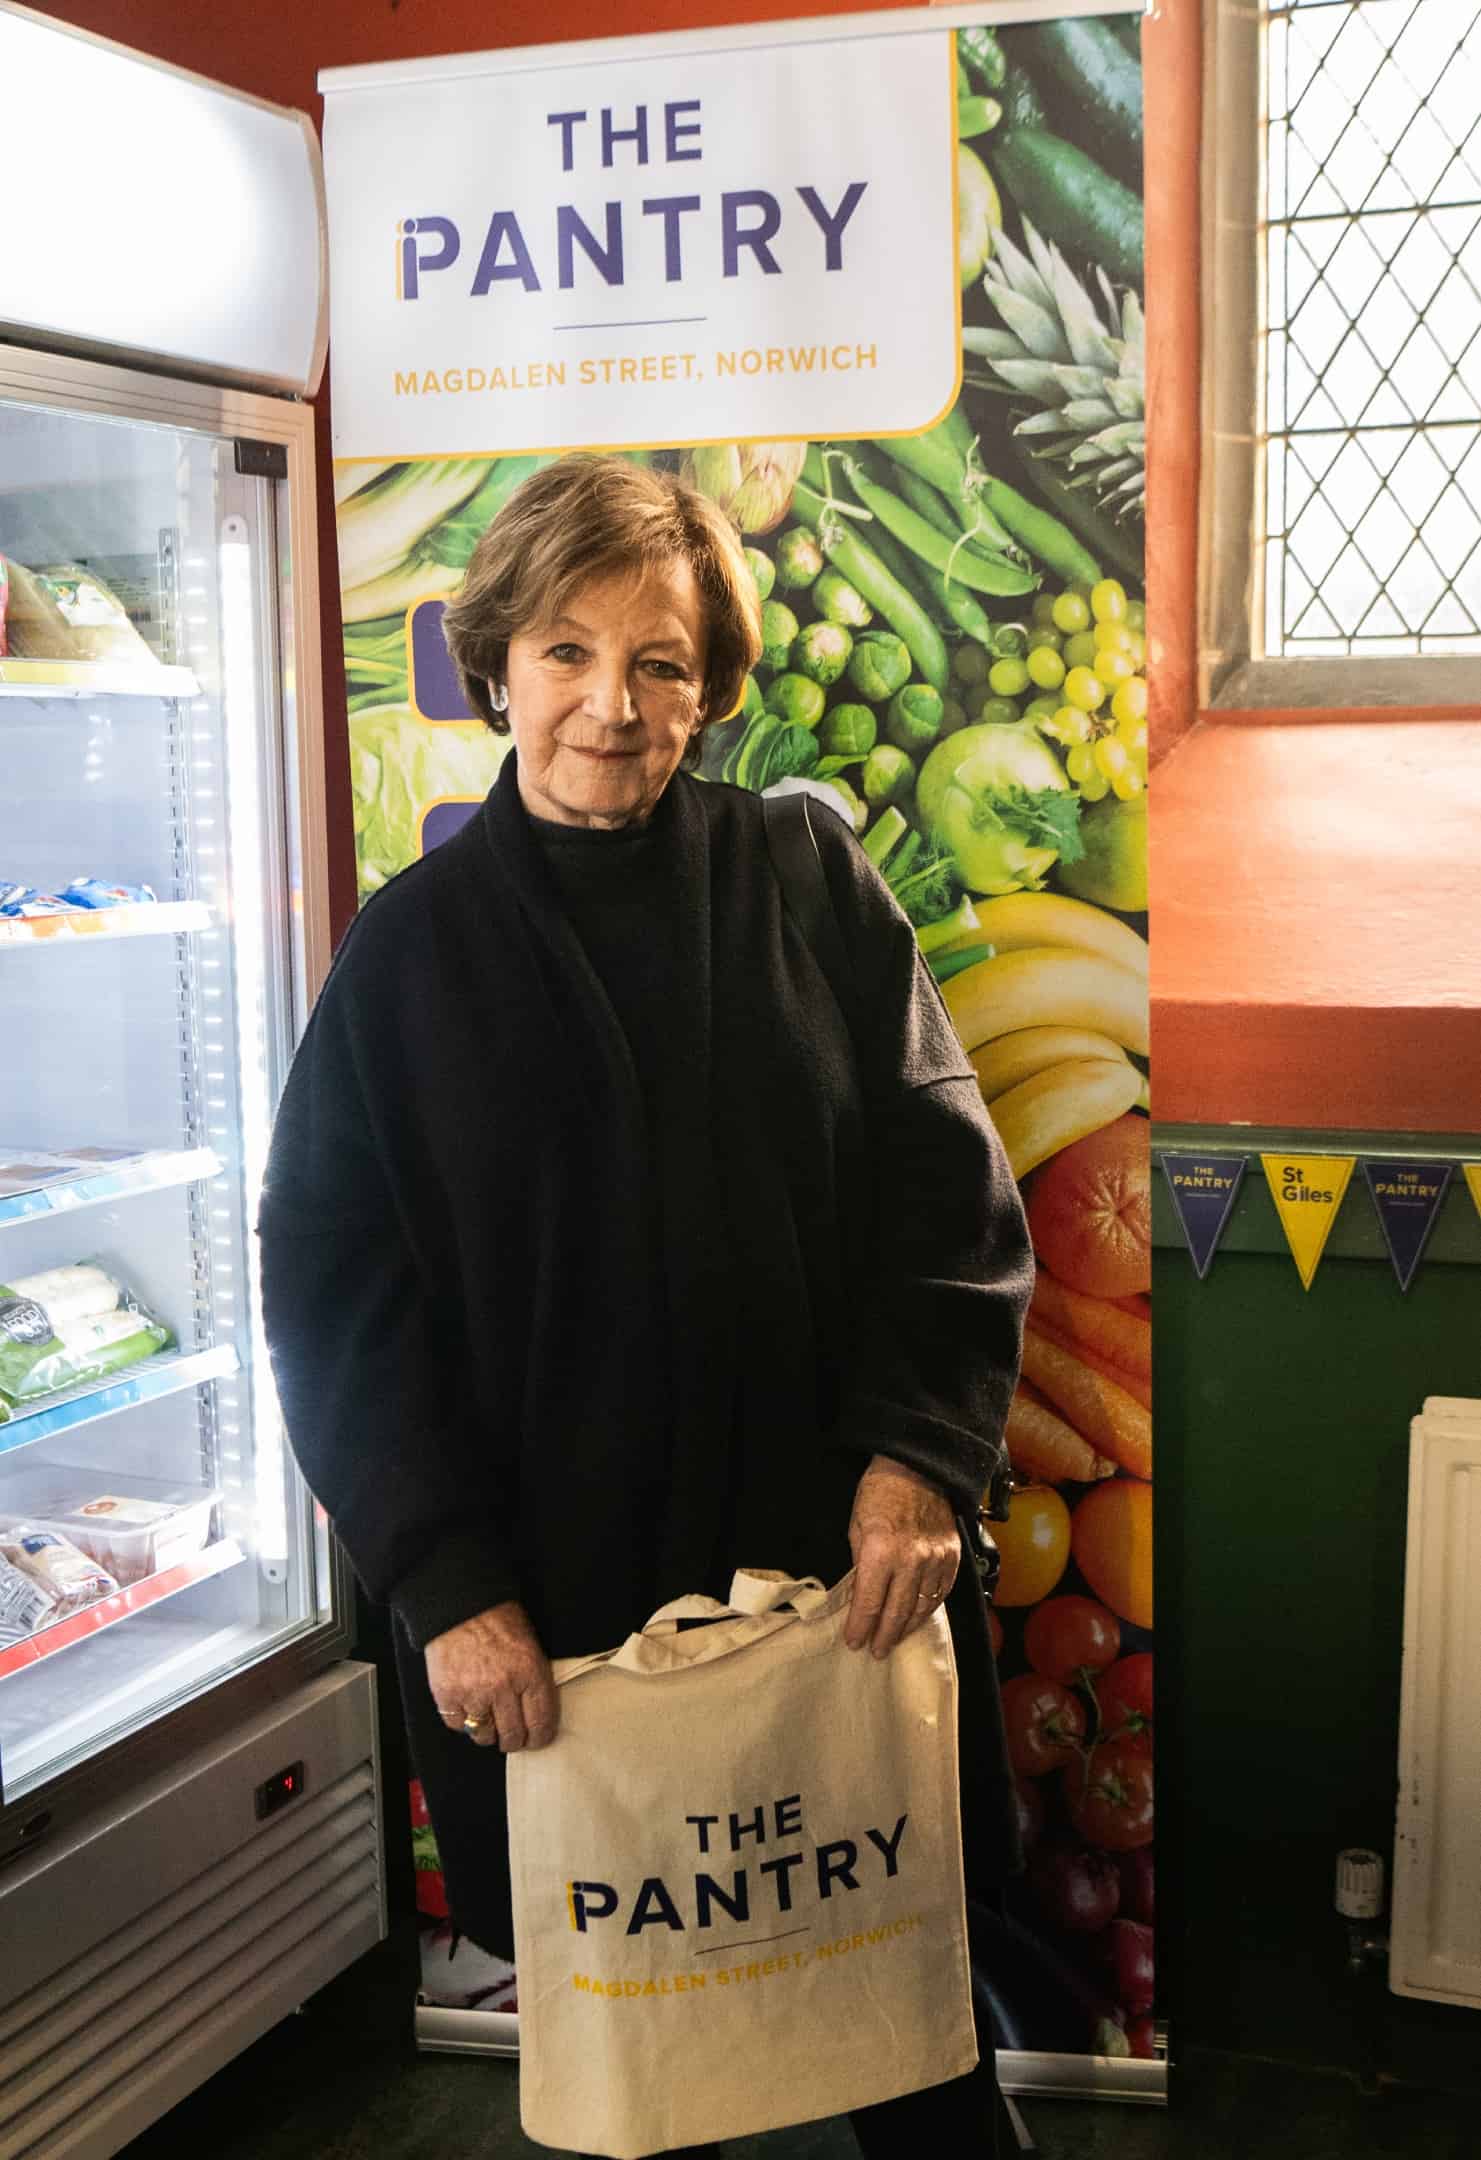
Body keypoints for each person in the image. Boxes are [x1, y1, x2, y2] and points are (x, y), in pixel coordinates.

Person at [259, 455, 1033, 2157]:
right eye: (566, 654)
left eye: (662, 662)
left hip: (829, 1591)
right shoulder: (410, 954)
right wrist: (448, 1586)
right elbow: (337, 1296)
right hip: (563, 1625)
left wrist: (918, 1456)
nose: (613, 708)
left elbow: (944, 1187)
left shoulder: (808, 884)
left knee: (912, 2037)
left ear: (712, 683)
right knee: (639, 2087)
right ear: (497, 668)